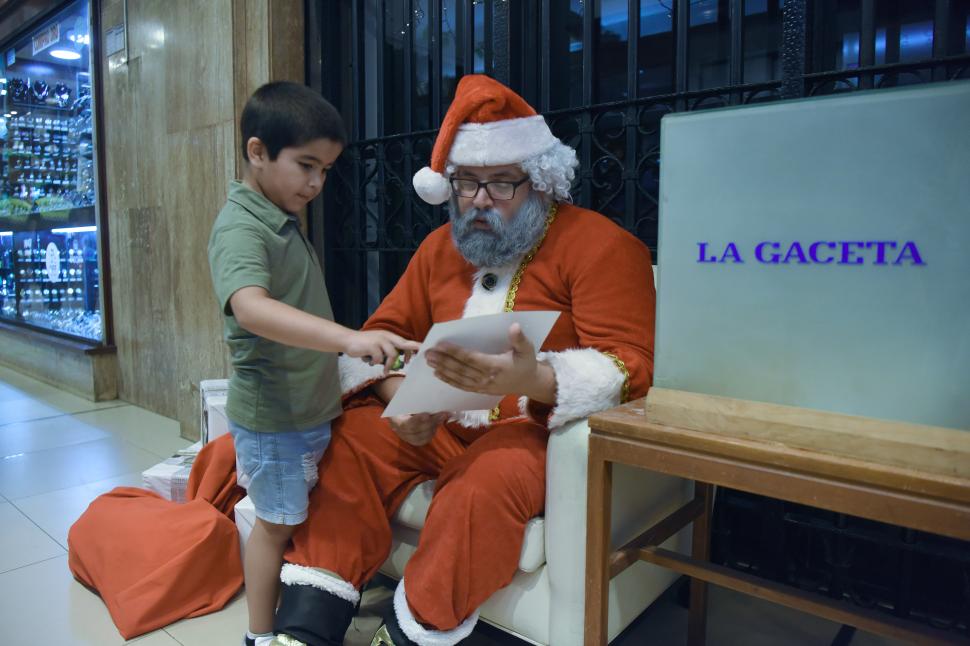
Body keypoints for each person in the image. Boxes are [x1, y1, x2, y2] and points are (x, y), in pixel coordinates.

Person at [268, 75, 657, 646]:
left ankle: (408, 633)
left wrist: (538, 378)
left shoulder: (602, 245)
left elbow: (632, 364)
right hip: (438, 422)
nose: (478, 200)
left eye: (501, 184)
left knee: (484, 484)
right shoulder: (436, 251)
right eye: (466, 183)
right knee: (348, 442)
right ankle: (304, 627)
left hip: (532, 435)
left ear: (541, 181)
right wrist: (397, 396)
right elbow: (380, 335)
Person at [207, 81, 420, 646]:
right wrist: (349, 340)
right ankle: (259, 635)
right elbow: (251, 308)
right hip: (276, 417)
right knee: (275, 528)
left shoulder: (280, 218)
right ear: (257, 152)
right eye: (306, 165)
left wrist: (371, 344)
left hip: (306, 411)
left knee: (296, 518)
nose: (317, 182)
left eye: (325, 169)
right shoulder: (242, 227)